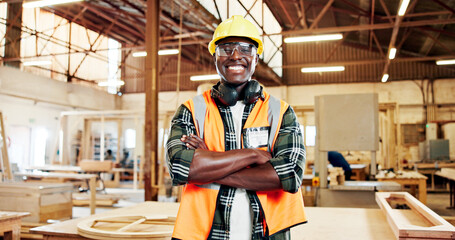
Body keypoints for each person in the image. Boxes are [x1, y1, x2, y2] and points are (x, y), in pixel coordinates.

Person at [166, 15, 306, 239]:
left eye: (245, 48)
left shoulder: (280, 112)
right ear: (215, 57)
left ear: (256, 58)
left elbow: (288, 175)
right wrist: (252, 155)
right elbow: (181, 168)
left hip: (267, 233)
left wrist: (209, 162)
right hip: (204, 234)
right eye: (226, 48)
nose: (236, 56)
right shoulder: (191, 110)